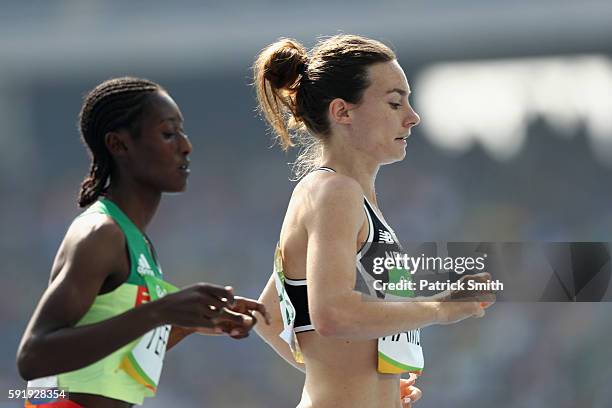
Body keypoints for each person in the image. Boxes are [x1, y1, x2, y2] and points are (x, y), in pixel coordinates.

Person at [252, 35, 495, 408]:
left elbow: (269, 317)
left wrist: (363, 384)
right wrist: (441, 307)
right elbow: (333, 314)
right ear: (342, 112)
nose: (412, 117)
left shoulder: (341, 195)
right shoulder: (335, 193)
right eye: (395, 102)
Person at [17, 77, 268, 408]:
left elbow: (112, 360)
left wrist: (187, 322)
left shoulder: (136, 239)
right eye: (168, 133)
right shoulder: (100, 233)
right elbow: (34, 356)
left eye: (182, 132)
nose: (186, 146)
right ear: (119, 145)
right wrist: (160, 311)